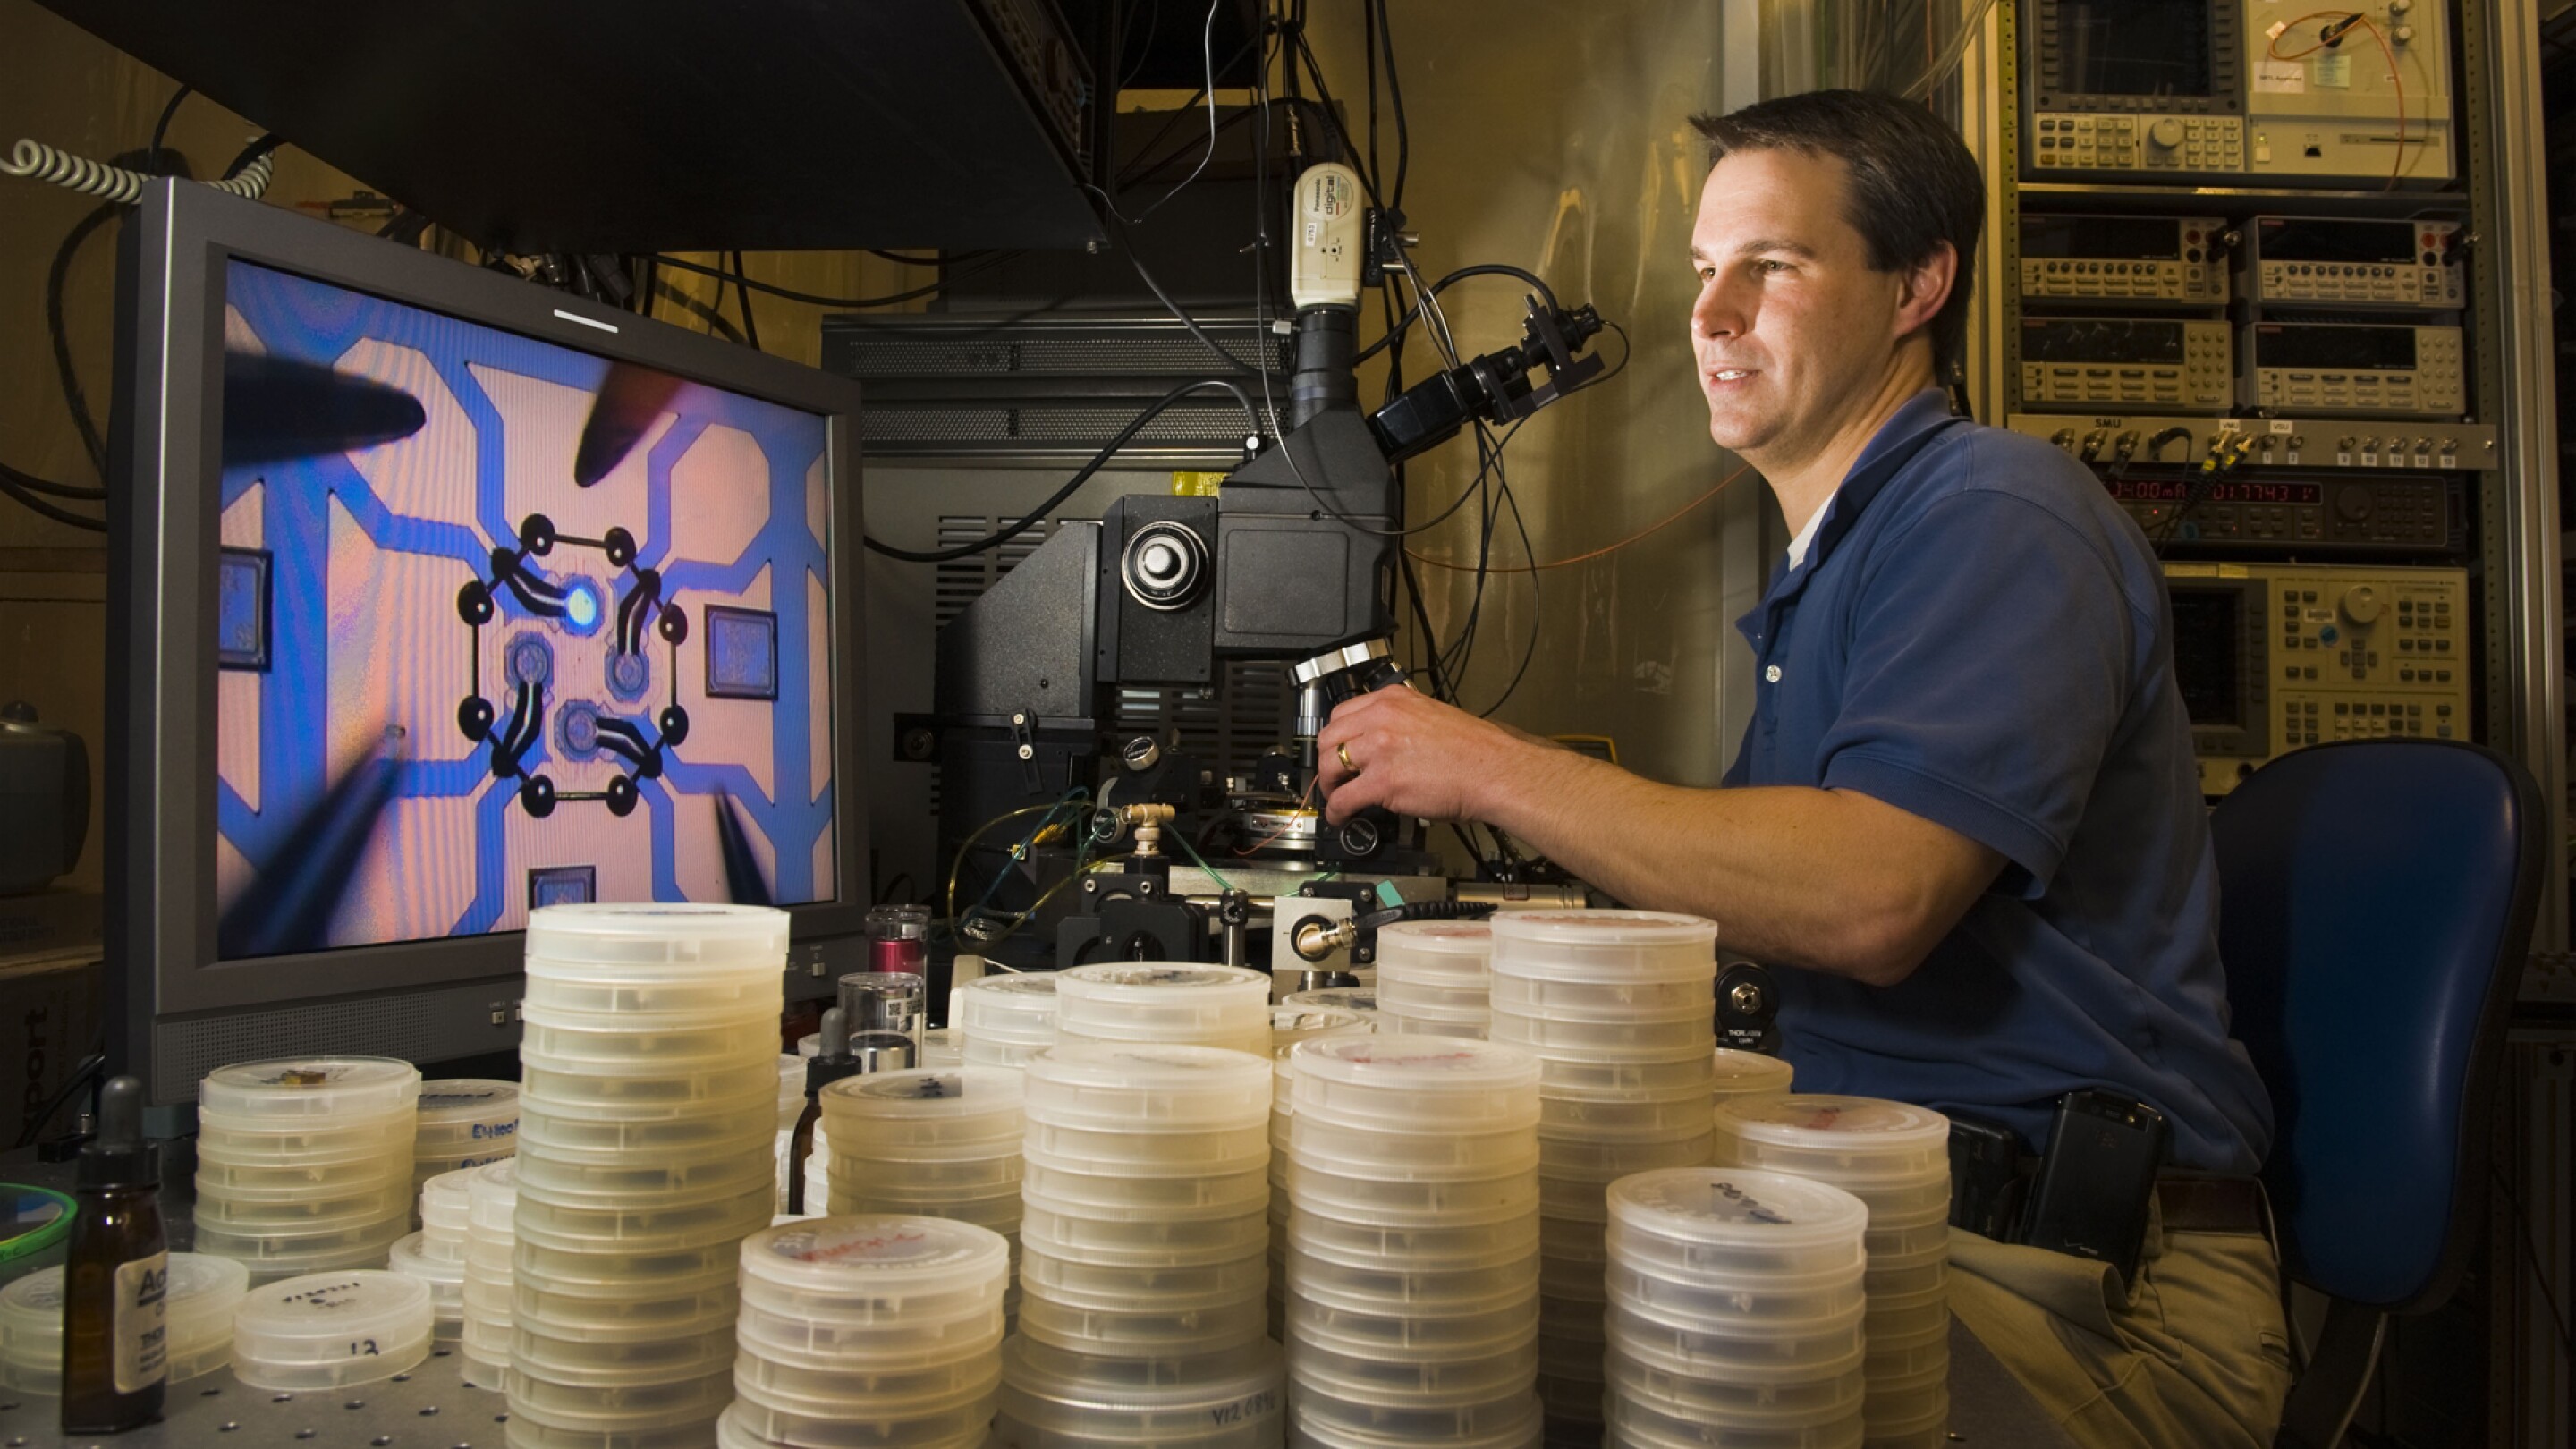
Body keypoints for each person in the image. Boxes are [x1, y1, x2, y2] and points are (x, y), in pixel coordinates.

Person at [1313, 89, 2291, 1449]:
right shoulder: (1839, 566)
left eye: (1771, 267)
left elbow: (1866, 900)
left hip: (2069, 1293)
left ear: (1918, 284)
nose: (1712, 317)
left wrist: (1489, 768)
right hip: (1888, 1223)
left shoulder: (1993, 514)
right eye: (1706, 271)